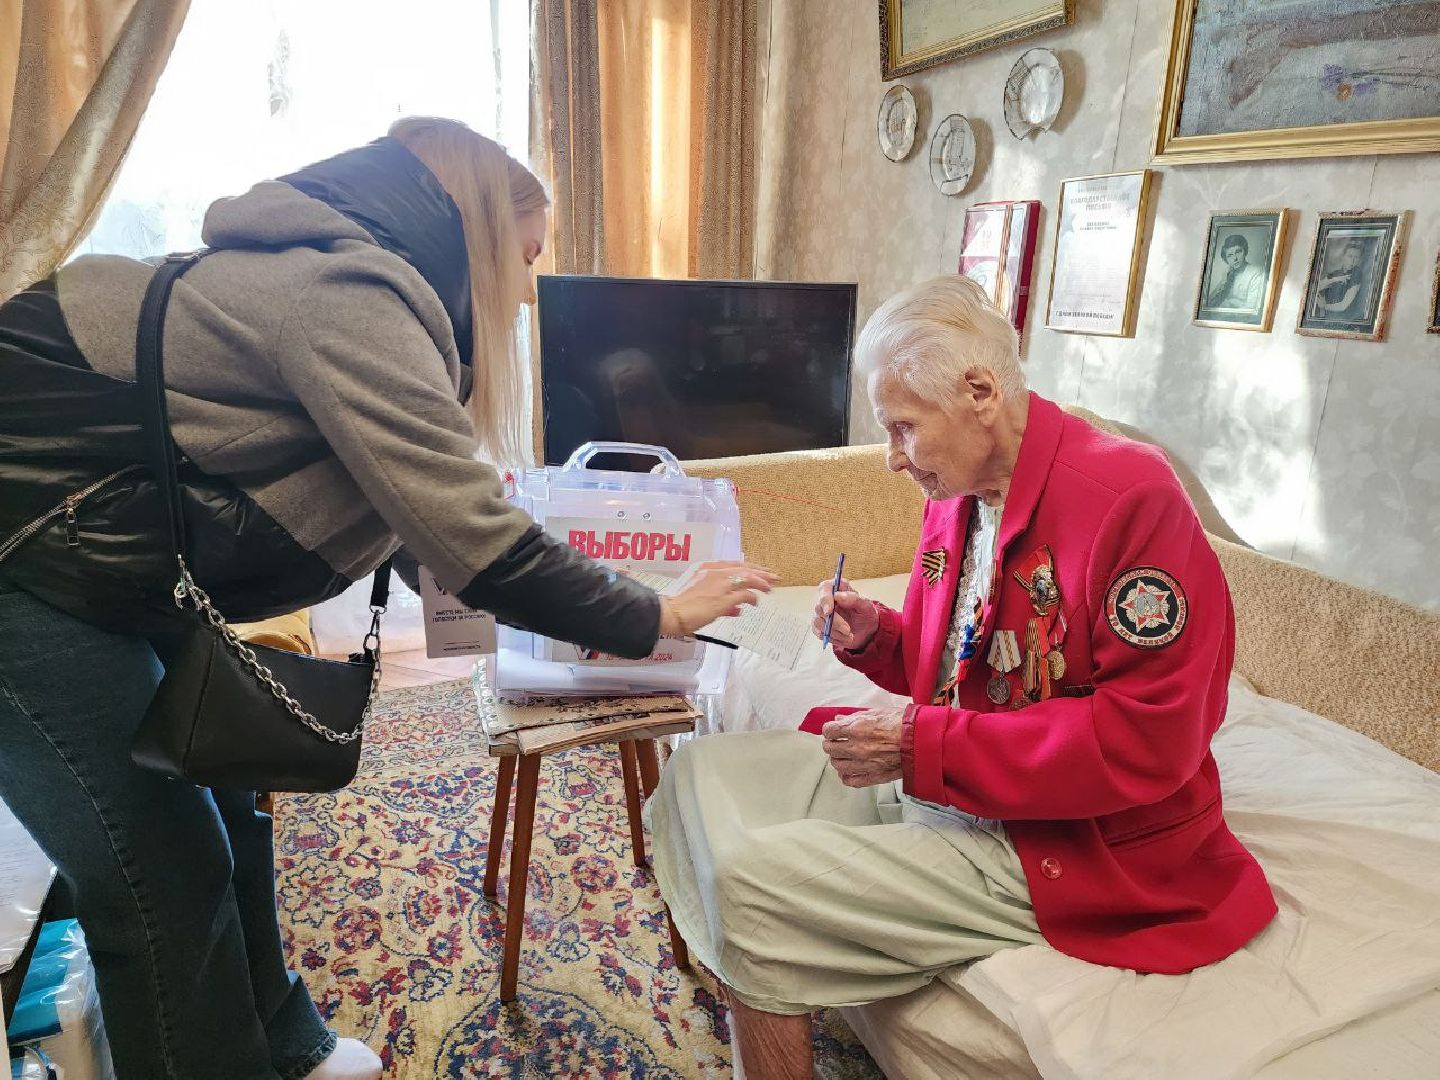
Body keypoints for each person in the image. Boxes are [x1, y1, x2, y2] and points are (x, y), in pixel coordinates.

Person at [0, 117, 773, 1080]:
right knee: (161, 871)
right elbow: (475, 541)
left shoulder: (360, 294)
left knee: (232, 805)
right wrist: (655, 616)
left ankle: (286, 1045)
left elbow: (421, 528)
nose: (527, 289)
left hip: (98, 552)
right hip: (22, 565)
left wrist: (539, 623)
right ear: (476, 230)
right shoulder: (349, 296)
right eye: (528, 253)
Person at [648, 275, 1276, 1080]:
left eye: (902, 429)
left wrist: (921, 747)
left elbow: (1150, 736)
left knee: (752, 885)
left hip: (1074, 840)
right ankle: (749, 964)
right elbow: (959, 665)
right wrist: (880, 638)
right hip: (965, 783)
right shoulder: (958, 494)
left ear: (980, 392)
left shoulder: (1131, 497)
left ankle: (758, 956)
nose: (890, 459)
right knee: (696, 772)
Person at [1206, 233, 1265, 313]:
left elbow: (1252, 309)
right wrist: (1222, 282)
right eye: (1230, 255)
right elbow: (1209, 303)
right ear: (1226, 259)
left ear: (1245, 251)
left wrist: (1229, 304)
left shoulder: (1257, 273)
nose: (1235, 258)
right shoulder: (1227, 273)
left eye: (1238, 252)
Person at [1314, 239, 1370, 322]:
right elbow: (1317, 288)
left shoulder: (1357, 274)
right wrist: (1335, 279)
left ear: (1359, 259)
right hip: (1328, 318)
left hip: (1344, 320)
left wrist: (1324, 306)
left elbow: (1343, 306)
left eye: (1356, 257)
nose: (1352, 261)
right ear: (1343, 256)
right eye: (1350, 256)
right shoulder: (1335, 273)